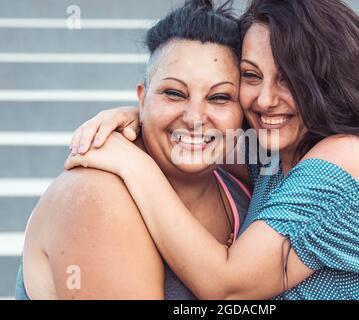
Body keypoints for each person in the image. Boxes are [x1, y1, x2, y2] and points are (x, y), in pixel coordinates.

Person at [67, 0, 359, 300]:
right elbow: (197, 138)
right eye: (251, 76)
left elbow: (227, 287)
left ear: (327, 80)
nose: (264, 99)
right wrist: (141, 116)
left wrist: (132, 164)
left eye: (288, 79)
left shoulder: (349, 157)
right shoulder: (275, 155)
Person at [15, 0, 250, 300]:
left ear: (242, 109)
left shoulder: (241, 182)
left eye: (219, 97)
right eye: (174, 93)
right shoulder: (96, 198)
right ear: (142, 99)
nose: (194, 118)